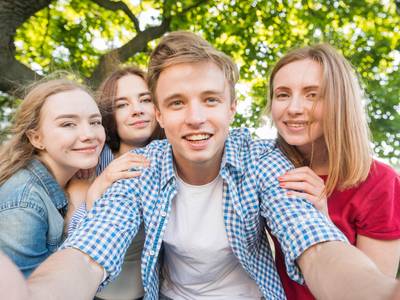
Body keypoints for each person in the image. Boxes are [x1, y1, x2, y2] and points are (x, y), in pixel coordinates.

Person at [25, 32, 397, 300]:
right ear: (159, 114)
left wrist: (380, 293)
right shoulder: (141, 168)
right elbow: (92, 251)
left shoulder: (263, 160)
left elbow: (314, 244)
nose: (196, 118)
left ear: (231, 107)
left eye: (210, 100)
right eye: (176, 103)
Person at [266, 44, 400, 299]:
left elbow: (373, 285)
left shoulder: (382, 183)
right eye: (282, 94)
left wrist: (321, 221)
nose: (293, 108)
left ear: (340, 101)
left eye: (312, 94)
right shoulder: (269, 170)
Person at [67, 66, 164, 300]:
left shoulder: (175, 159)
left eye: (145, 99)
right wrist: (99, 186)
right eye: (122, 105)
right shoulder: (89, 165)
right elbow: (73, 239)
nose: (137, 110)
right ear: (108, 115)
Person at [0, 78, 105, 276]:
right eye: (68, 124)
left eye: (95, 122)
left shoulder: (71, 177)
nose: (89, 133)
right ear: (36, 138)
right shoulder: (24, 204)